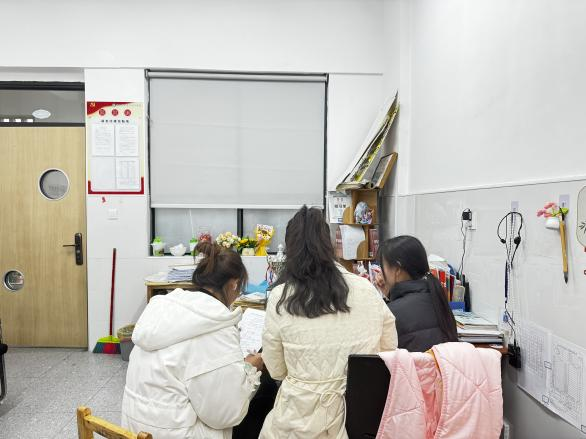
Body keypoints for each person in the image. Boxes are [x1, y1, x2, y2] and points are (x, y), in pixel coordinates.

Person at [260, 206, 397, 439]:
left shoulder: (280, 296)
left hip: (299, 417)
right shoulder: (365, 288)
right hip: (358, 413)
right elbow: (388, 349)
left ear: (290, 248)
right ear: (329, 244)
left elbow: (276, 368)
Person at [121, 241, 263, 439]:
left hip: (134, 429)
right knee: (258, 405)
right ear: (234, 283)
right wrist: (249, 369)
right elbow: (224, 414)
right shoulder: (217, 324)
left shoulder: (163, 307)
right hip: (173, 434)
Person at [375, 235, 458, 352]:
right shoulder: (437, 298)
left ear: (397, 269)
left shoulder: (391, 312)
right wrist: (389, 295)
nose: (381, 272)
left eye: (382, 266)